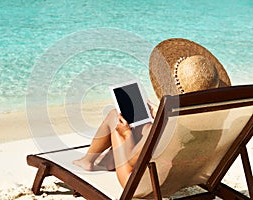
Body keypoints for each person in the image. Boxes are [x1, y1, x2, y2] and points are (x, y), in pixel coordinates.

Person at [73, 38, 231, 191]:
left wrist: (127, 134)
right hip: (179, 179)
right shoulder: (209, 123)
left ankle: (88, 160)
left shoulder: (171, 126)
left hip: (143, 184)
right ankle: (108, 159)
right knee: (148, 126)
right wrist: (159, 121)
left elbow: (132, 158)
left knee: (116, 117)